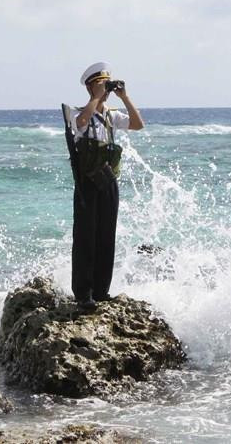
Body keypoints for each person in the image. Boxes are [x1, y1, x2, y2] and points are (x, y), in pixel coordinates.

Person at [68, 62, 144, 310]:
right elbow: (80, 122)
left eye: (107, 84)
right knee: (85, 236)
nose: (106, 89)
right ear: (90, 86)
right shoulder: (79, 112)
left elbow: (137, 124)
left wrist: (124, 97)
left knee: (106, 236)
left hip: (108, 179)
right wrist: (97, 98)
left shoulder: (111, 116)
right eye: (101, 84)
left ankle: (101, 290)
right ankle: (83, 293)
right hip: (87, 182)